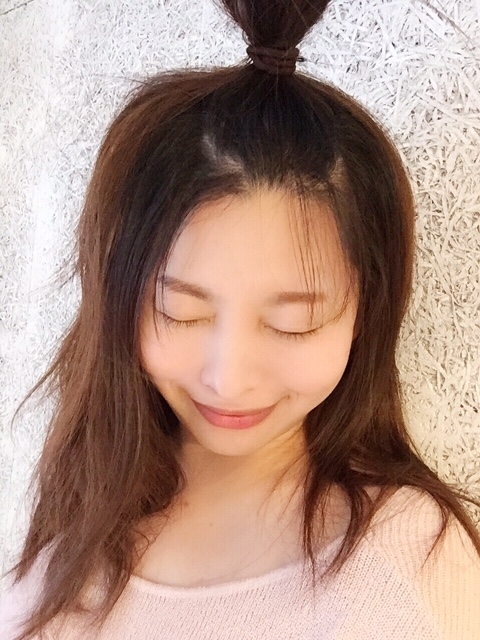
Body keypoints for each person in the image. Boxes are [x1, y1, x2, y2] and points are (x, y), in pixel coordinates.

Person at [1, 0, 480, 638]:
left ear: (366, 312)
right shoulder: (68, 548)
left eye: (293, 323)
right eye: (180, 312)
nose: (228, 379)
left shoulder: (406, 565)